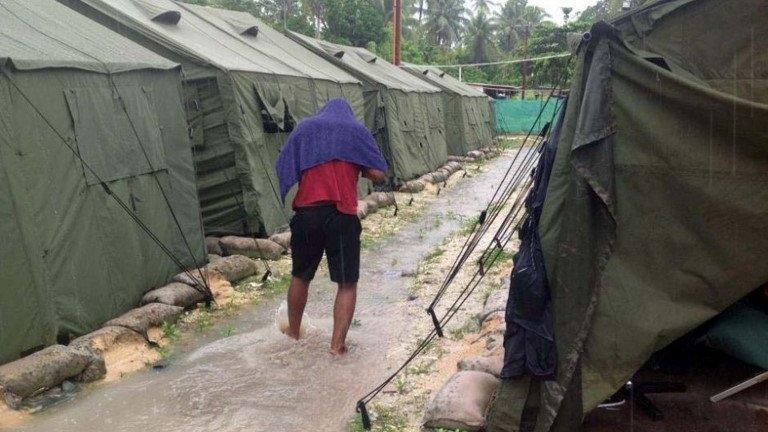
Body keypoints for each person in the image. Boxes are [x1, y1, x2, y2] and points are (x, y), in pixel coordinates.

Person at [276, 98, 388, 355]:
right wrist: (357, 163)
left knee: (300, 277)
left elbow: (284, 162)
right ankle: (336, 346)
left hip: (307, 214)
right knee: (347, 283)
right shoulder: (356, 132)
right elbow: (378, 174)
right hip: (341, 216)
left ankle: (293, 336)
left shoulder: (306, 129)